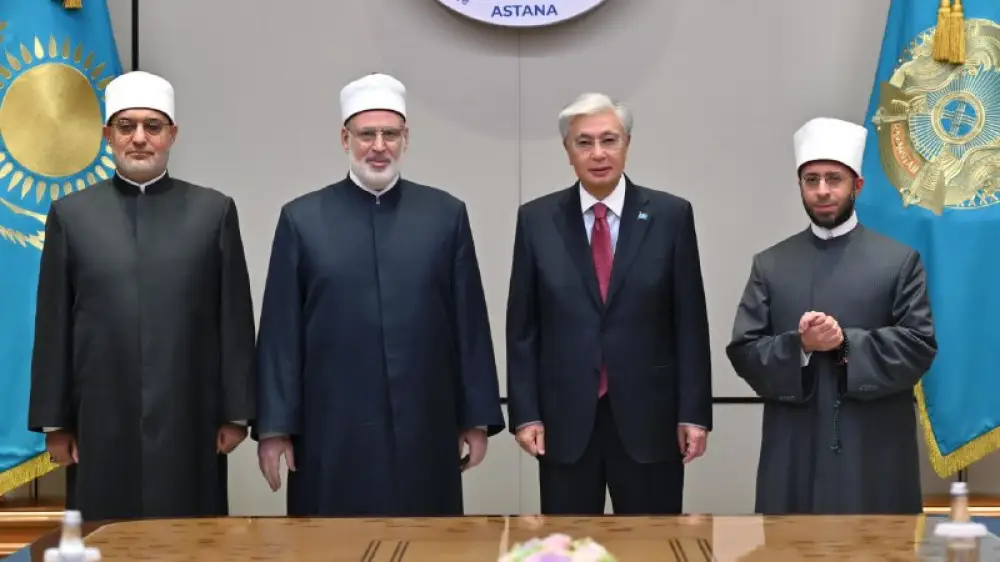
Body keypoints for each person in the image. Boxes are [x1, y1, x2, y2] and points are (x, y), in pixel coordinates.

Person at [253, 73, 505, 517]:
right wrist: (274, 427)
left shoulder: (445, 215)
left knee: (427, 538)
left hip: (426, 422)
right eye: (366, 134)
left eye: (390, 134)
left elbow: (469, 324)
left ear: (406, 138)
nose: (378, 146)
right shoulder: (301, 219)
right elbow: (280, 334)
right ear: (344, 139)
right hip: (330, 428)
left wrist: (476, 416)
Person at [27, 71, 257, 520]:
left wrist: (236, 414)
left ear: (172, 134)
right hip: (98, 417)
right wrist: (55, 422)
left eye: (152, 126)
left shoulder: (213, 212)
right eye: (126, 126)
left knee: (190, 534)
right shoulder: (71, 216)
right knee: (104, 535)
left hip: (190, 414)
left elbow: (233, 318)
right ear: (107, 135)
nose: (138, 138)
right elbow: (53, 323)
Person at [505, 93, 713, 515]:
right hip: (565, 422)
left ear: (627, 144)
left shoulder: (671, 216)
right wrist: (526, 415)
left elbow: (690, 323)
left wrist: (693, 413)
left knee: (652, 543)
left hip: (651, 421)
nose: (598, 153)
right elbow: (523, 329)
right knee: (568, 543)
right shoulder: (536, 221)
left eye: (609, 140)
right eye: (584, 143)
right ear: (568, 151)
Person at [726, 116, 937, 515]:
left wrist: (845, 343)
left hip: (874, 449)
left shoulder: (898, 262)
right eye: (812, 180)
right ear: (800, 186)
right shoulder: (771, 265)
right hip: (794, 448)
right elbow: (744, 350)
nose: (822, 190)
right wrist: (800, 346)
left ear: (857, 185)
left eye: (834, 179)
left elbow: (919, 346)